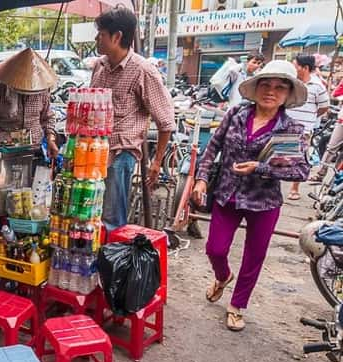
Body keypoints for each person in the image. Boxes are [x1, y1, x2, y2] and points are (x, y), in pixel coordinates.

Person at [192, 60, 310, 331]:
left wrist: (262, 168)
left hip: (264, 202)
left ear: (287, 94)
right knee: (215, 249)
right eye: (266, 85)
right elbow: (213, 147)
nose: (271, 91)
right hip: (227, 193)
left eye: (280, 87)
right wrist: (200, 179)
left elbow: (300, 171)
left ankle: (237, 305)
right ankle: (222, 277)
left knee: (254, 256)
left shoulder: (289, 129)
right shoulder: (236, 114)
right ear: (256, 88)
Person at [88, 7, 175, 231]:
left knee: (111, 218)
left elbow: (165, 121)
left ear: (117, 37)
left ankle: (111, 261)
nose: (97, 39)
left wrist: (156, 162)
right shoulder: (99, 66)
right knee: (88, 212)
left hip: (120, 152)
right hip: (92, 150)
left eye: (102, 34)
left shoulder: (143, 71)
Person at [0, 48, 59, 157]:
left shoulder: (41, 92)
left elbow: (48, 118)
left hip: (35, 149)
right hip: (4, 150)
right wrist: (0, 137)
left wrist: (51, 139)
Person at [286, 54, 329, 198]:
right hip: (285, 126)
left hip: (304, 128)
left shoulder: (317, 86)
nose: (293, 68)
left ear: (305, 68)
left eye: (295, 65)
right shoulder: (291, 82)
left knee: (299, 158)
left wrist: (311, 117)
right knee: (280, 155)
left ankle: (294, 189)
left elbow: (324, 107)